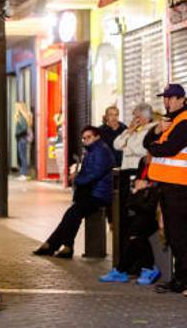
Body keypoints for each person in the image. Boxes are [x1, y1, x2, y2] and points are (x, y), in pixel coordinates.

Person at [99, 103, 160, 284]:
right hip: (127, 175)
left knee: (134, 227)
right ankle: (129, 267)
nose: (135, 119)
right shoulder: (134, 130)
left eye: (137, 116)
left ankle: (137, 267)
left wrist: (129, 145)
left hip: (138, 176)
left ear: (146, 117)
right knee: (127, 226)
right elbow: (117, 144)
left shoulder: (151, 130)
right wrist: (128, 133)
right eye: (133, 116)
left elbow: (142, 150)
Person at [34, 126, 115, 259]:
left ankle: (52, 245)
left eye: (89, 137)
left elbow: (96, 173)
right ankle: (66, 247)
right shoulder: (92, 150)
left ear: (97, 137)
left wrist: (77, 179)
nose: (85, 140)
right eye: (84, 138)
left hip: (99, 195)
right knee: (72, 215)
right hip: (92, 192)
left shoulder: (100, 151)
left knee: (73, 213)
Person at [143, 83, 187, 294]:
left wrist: (154, 147)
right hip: (168, 185)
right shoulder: (169, 121)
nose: (166, 101)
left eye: (171, 98)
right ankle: (180, 279)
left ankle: (182, 280)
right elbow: (147, 141)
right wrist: (156, 131)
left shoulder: (185, 121)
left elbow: (169, 148)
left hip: (180, 187)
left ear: (181, 99)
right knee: (173, 233)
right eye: (165, 98)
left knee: (179, 235)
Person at [14, 102, 33, 180]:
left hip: (22, 139)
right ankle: (23, 173)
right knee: (23, 156)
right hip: (22, 139)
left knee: (23, 157)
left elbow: (24, 128)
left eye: (16, 107)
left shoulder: (21, 118)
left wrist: (17, 134)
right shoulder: (23, 117)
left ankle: (24, 174)